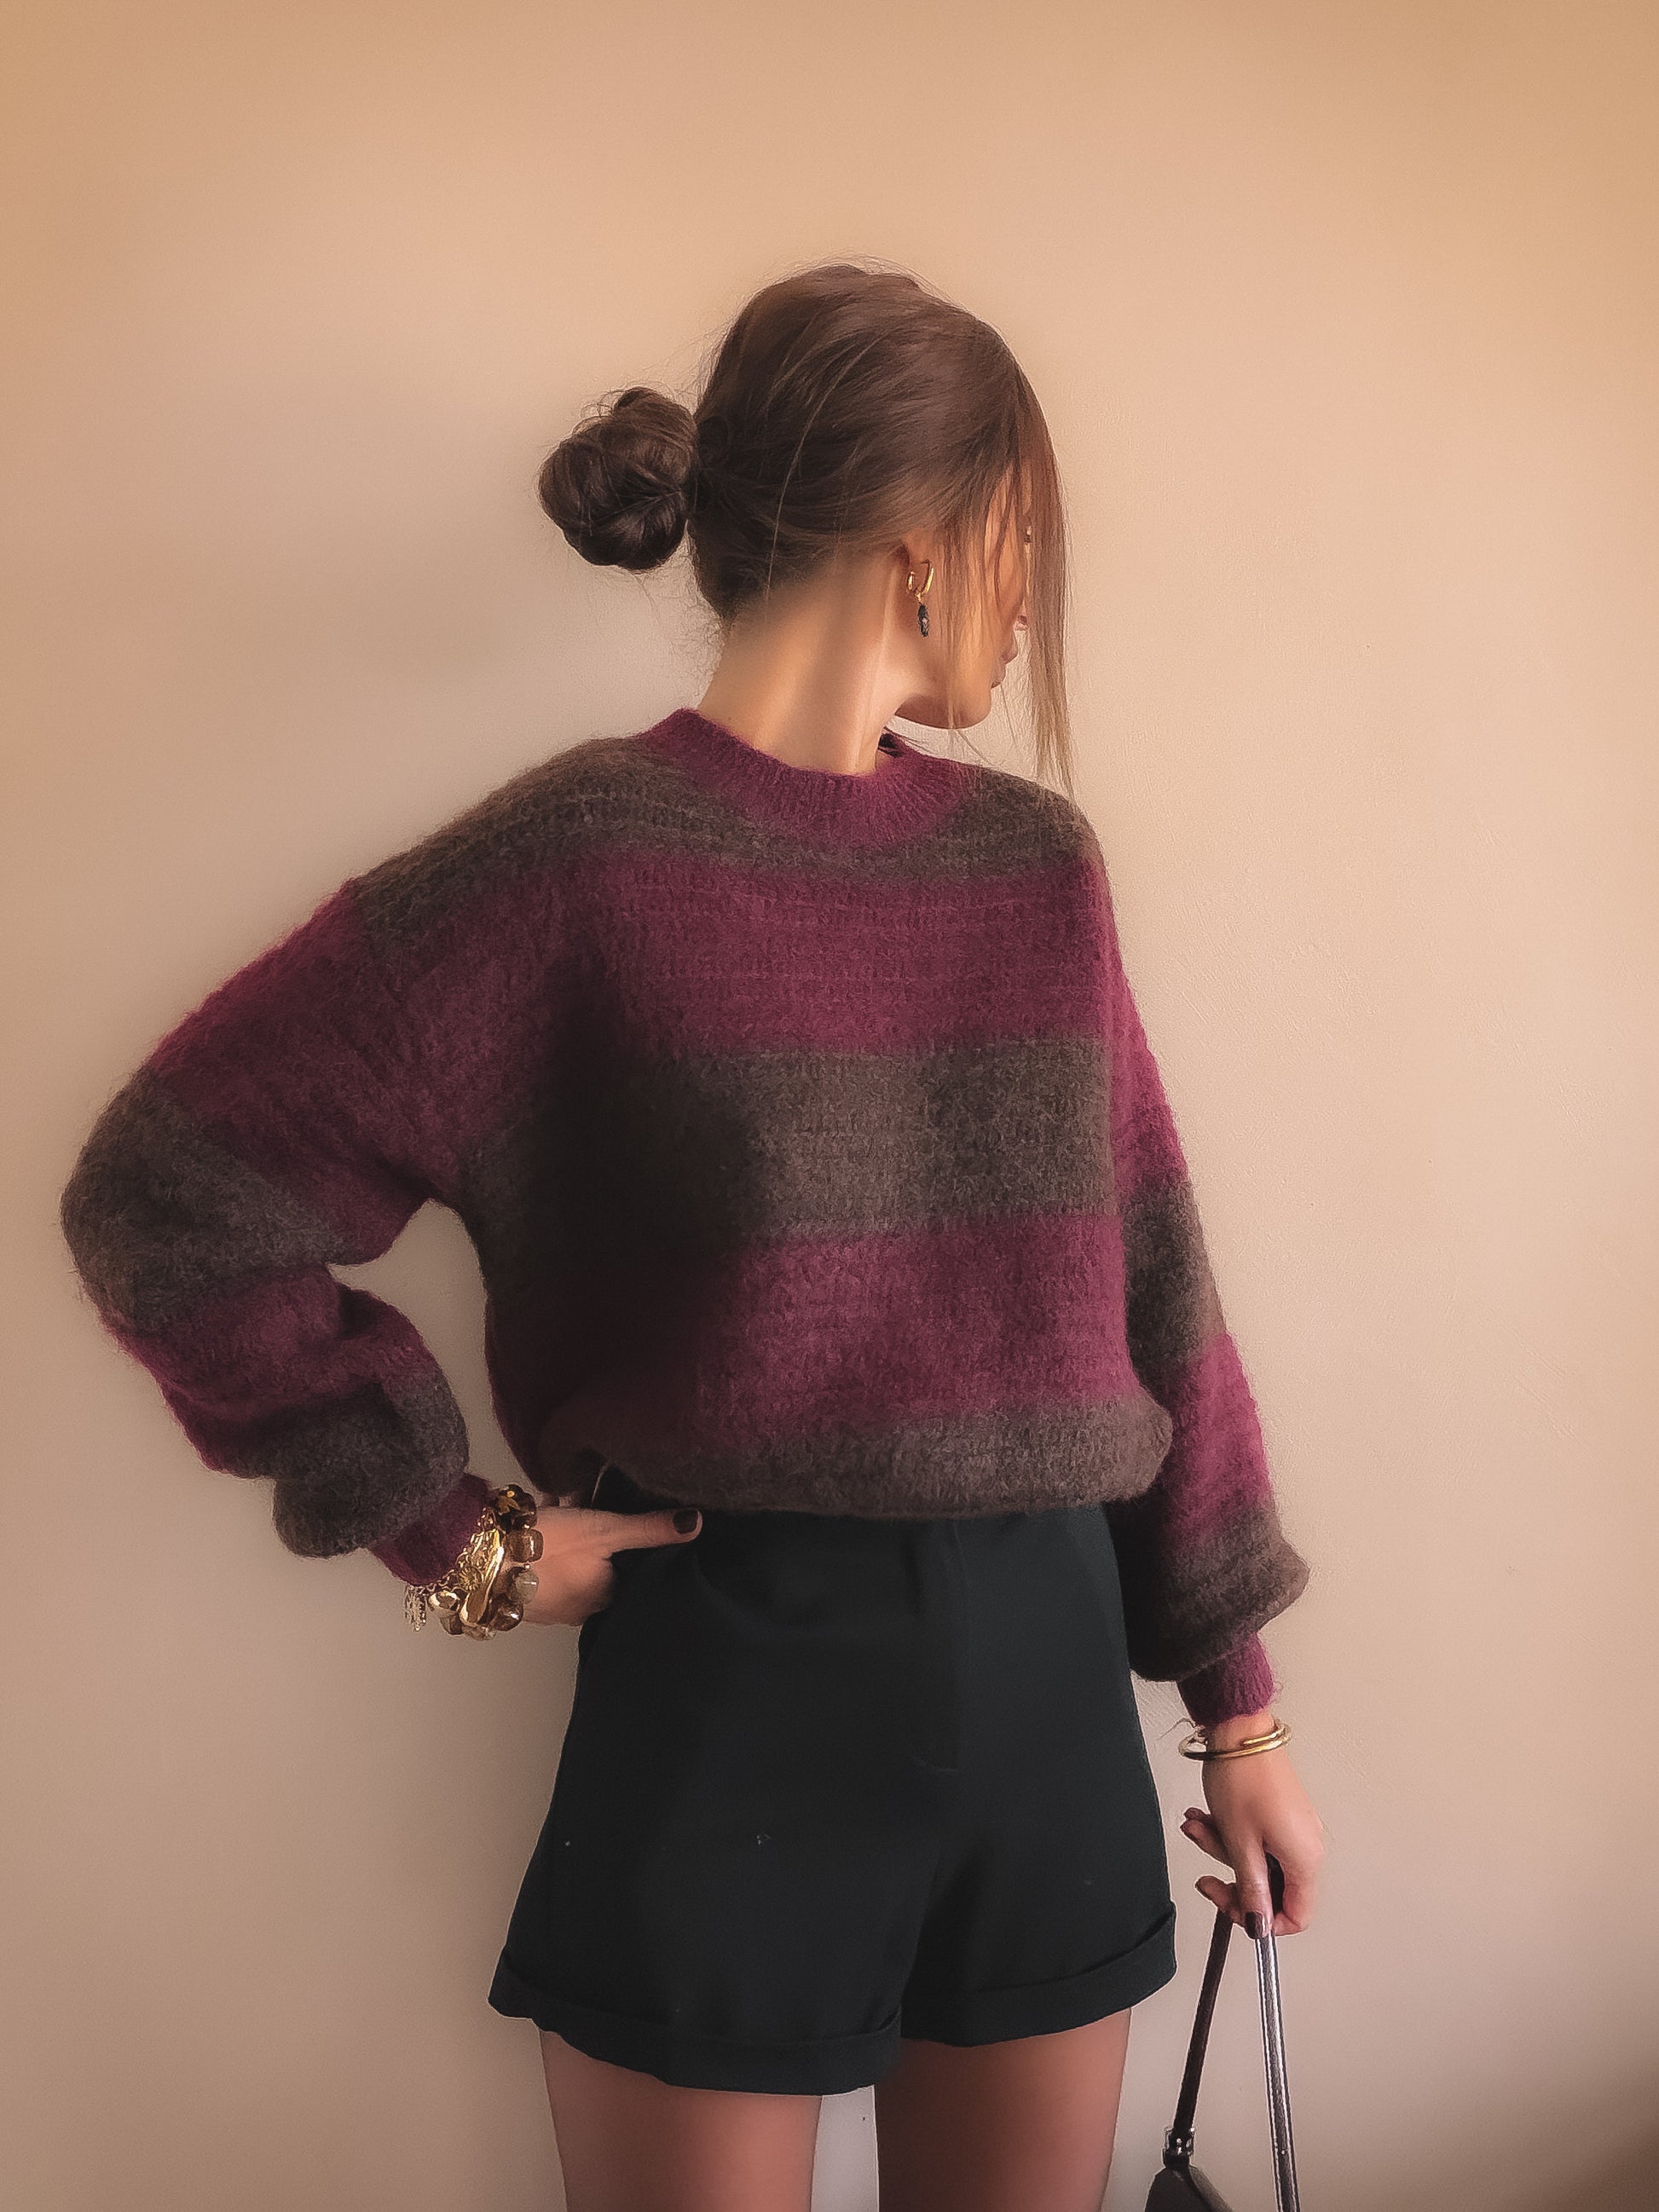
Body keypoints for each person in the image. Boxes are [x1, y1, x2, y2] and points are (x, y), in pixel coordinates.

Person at [59, 257, 1324, 2212]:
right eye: (1022, 538)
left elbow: (1156, 1288)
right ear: (923, 540)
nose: (1030, 600)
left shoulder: (1033, 869)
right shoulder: (570, 865)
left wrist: (1237, 1706)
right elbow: (170, 1191)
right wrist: (456, 1540)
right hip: (729, 1697)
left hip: (1048, 1696)